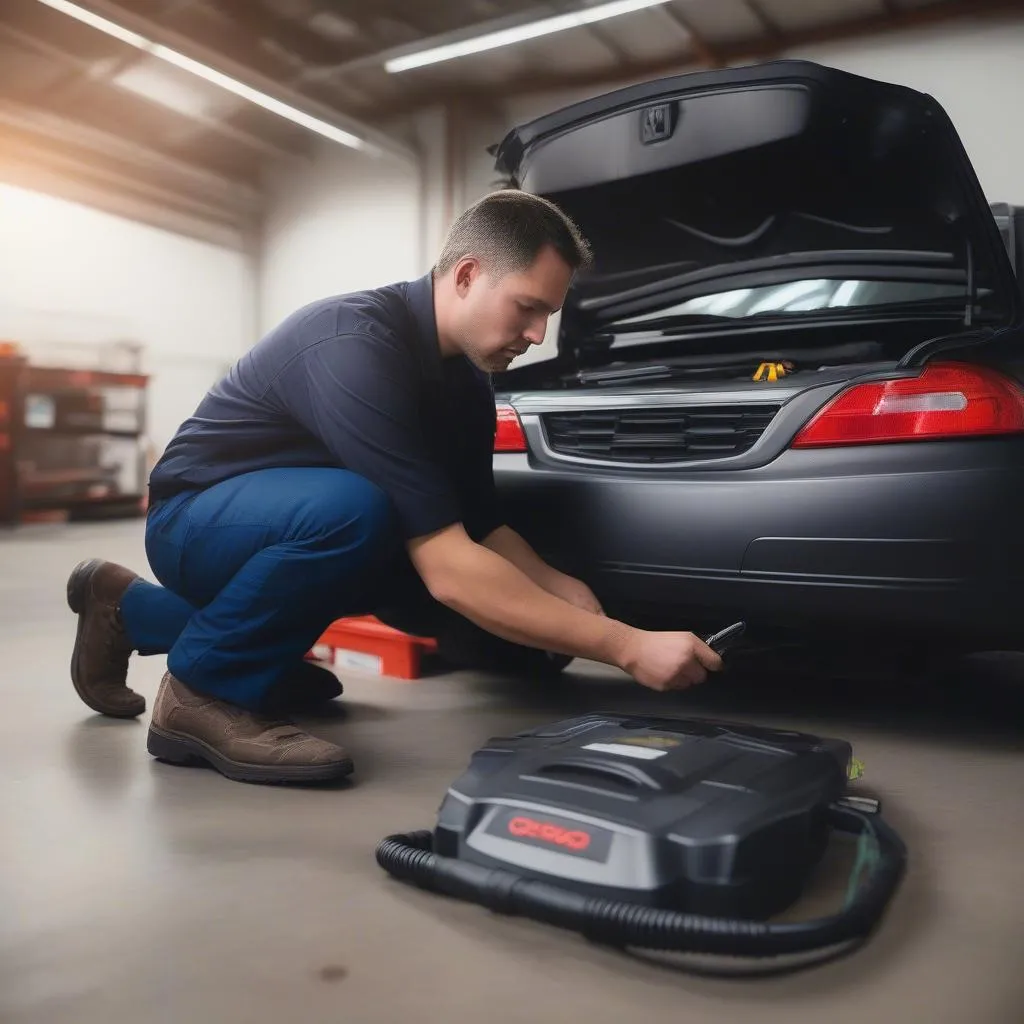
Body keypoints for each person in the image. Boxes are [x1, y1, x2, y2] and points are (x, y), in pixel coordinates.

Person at [66, 189, 722, 786]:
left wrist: (573, 602)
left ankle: (126, 609)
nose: (536, 335)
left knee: (391, 542)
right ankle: (202, 692)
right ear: (466, 275)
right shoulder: (356, 345)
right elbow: (451, 570)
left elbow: (483, 527)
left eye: (547, 314)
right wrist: (628, 648)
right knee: (360, 515)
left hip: (278, 524)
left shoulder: (465, 381)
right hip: (192, 523)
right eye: (527, 307)